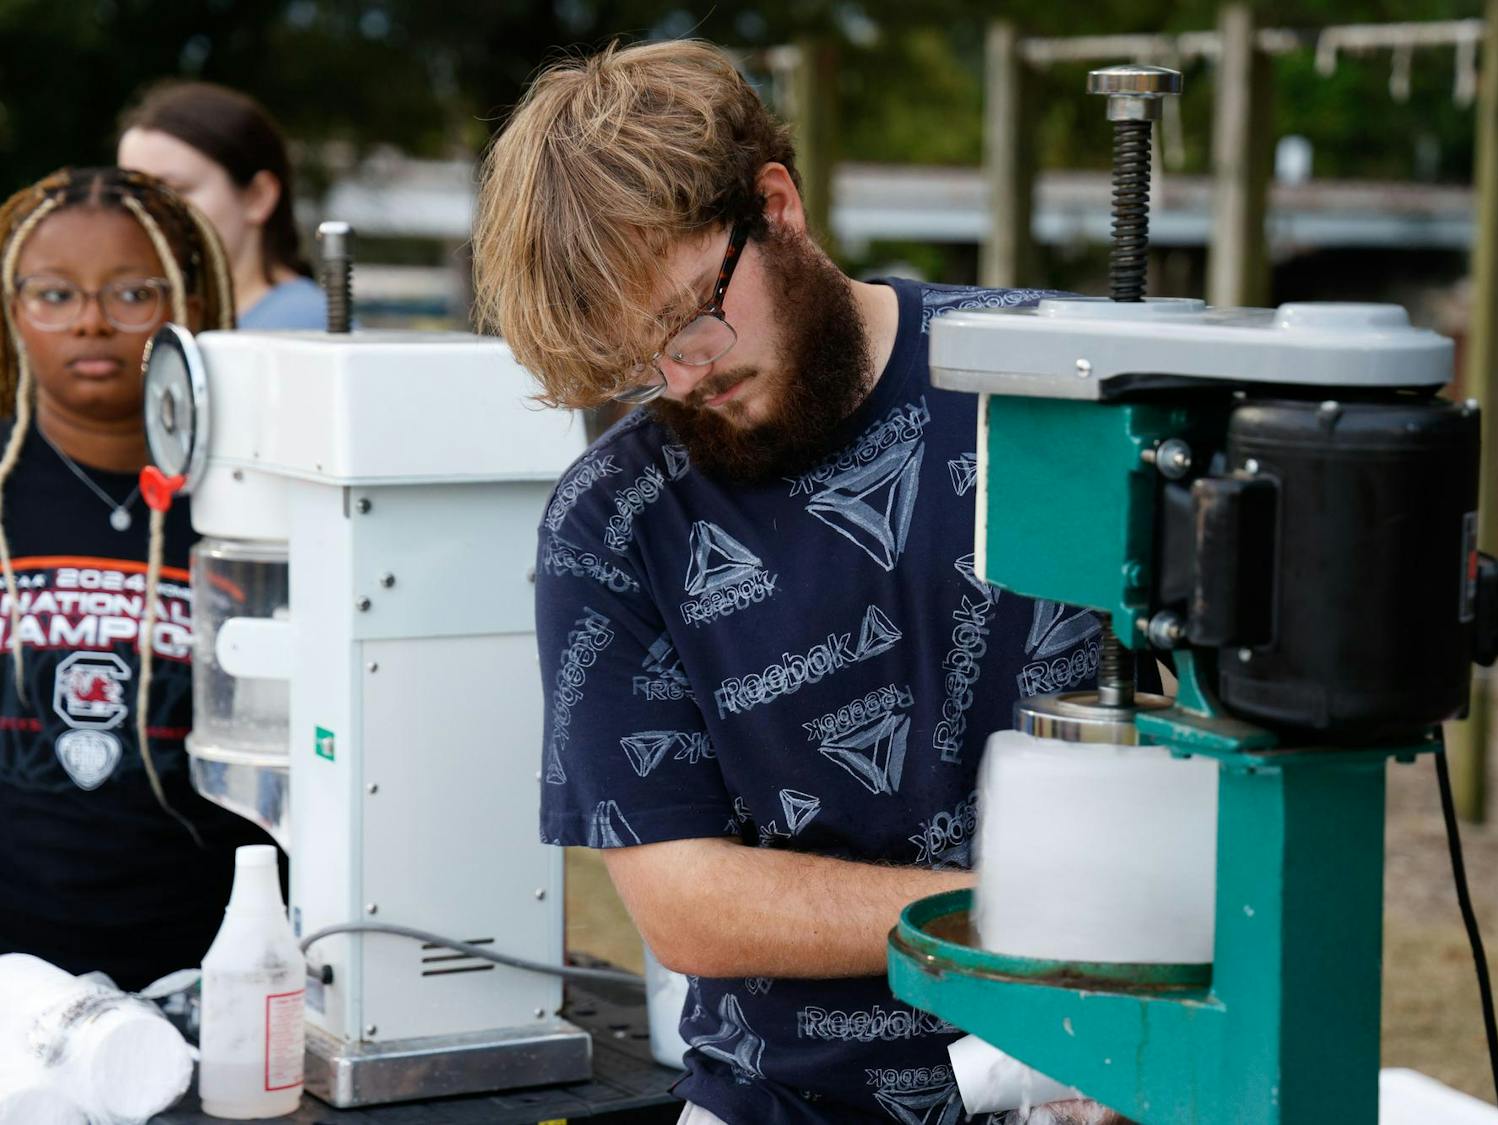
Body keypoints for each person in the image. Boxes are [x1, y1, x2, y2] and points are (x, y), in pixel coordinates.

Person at [473, 41, 1118, 1125]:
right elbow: (688, 904)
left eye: (692, 318)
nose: (684, 378)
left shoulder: (1056, 391)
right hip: (784, 1102)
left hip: (1107, 1069)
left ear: (775, 205)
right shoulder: (612, 521)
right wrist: (1017, 916)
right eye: (639, 363)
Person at [0, 166, 271, 991]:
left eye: (131, 294)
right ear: (13, 308)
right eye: (53, 295)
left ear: (187, 303)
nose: (89, 321)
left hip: (210, 965)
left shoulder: (249, 497)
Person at [116, 82, 325, 330]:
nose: (146, 213)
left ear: (257, 197)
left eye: (174, 191)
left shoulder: (305, 326)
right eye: (133, 194)